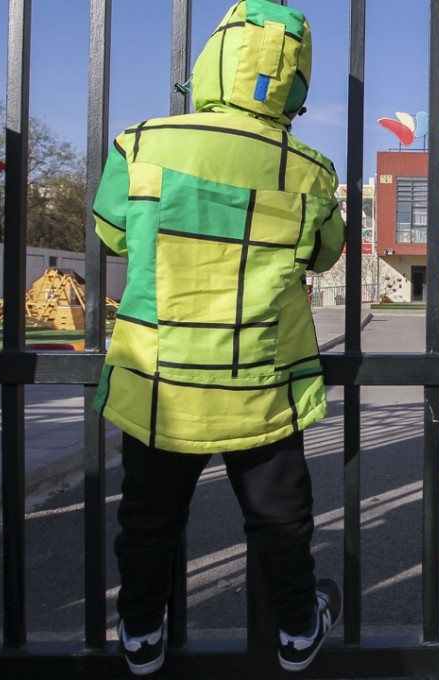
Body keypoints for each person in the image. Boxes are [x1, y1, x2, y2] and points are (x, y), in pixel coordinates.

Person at [91, 0, 345, 674]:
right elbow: (325, 255)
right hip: (259, 382)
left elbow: (112, 231)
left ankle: (142, 634)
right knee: (281, 521)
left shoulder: (141, 142)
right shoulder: (312, 170)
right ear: (298, 81)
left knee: (147, 520)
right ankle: (297, 629)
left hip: (160, 380)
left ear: (217, 57)